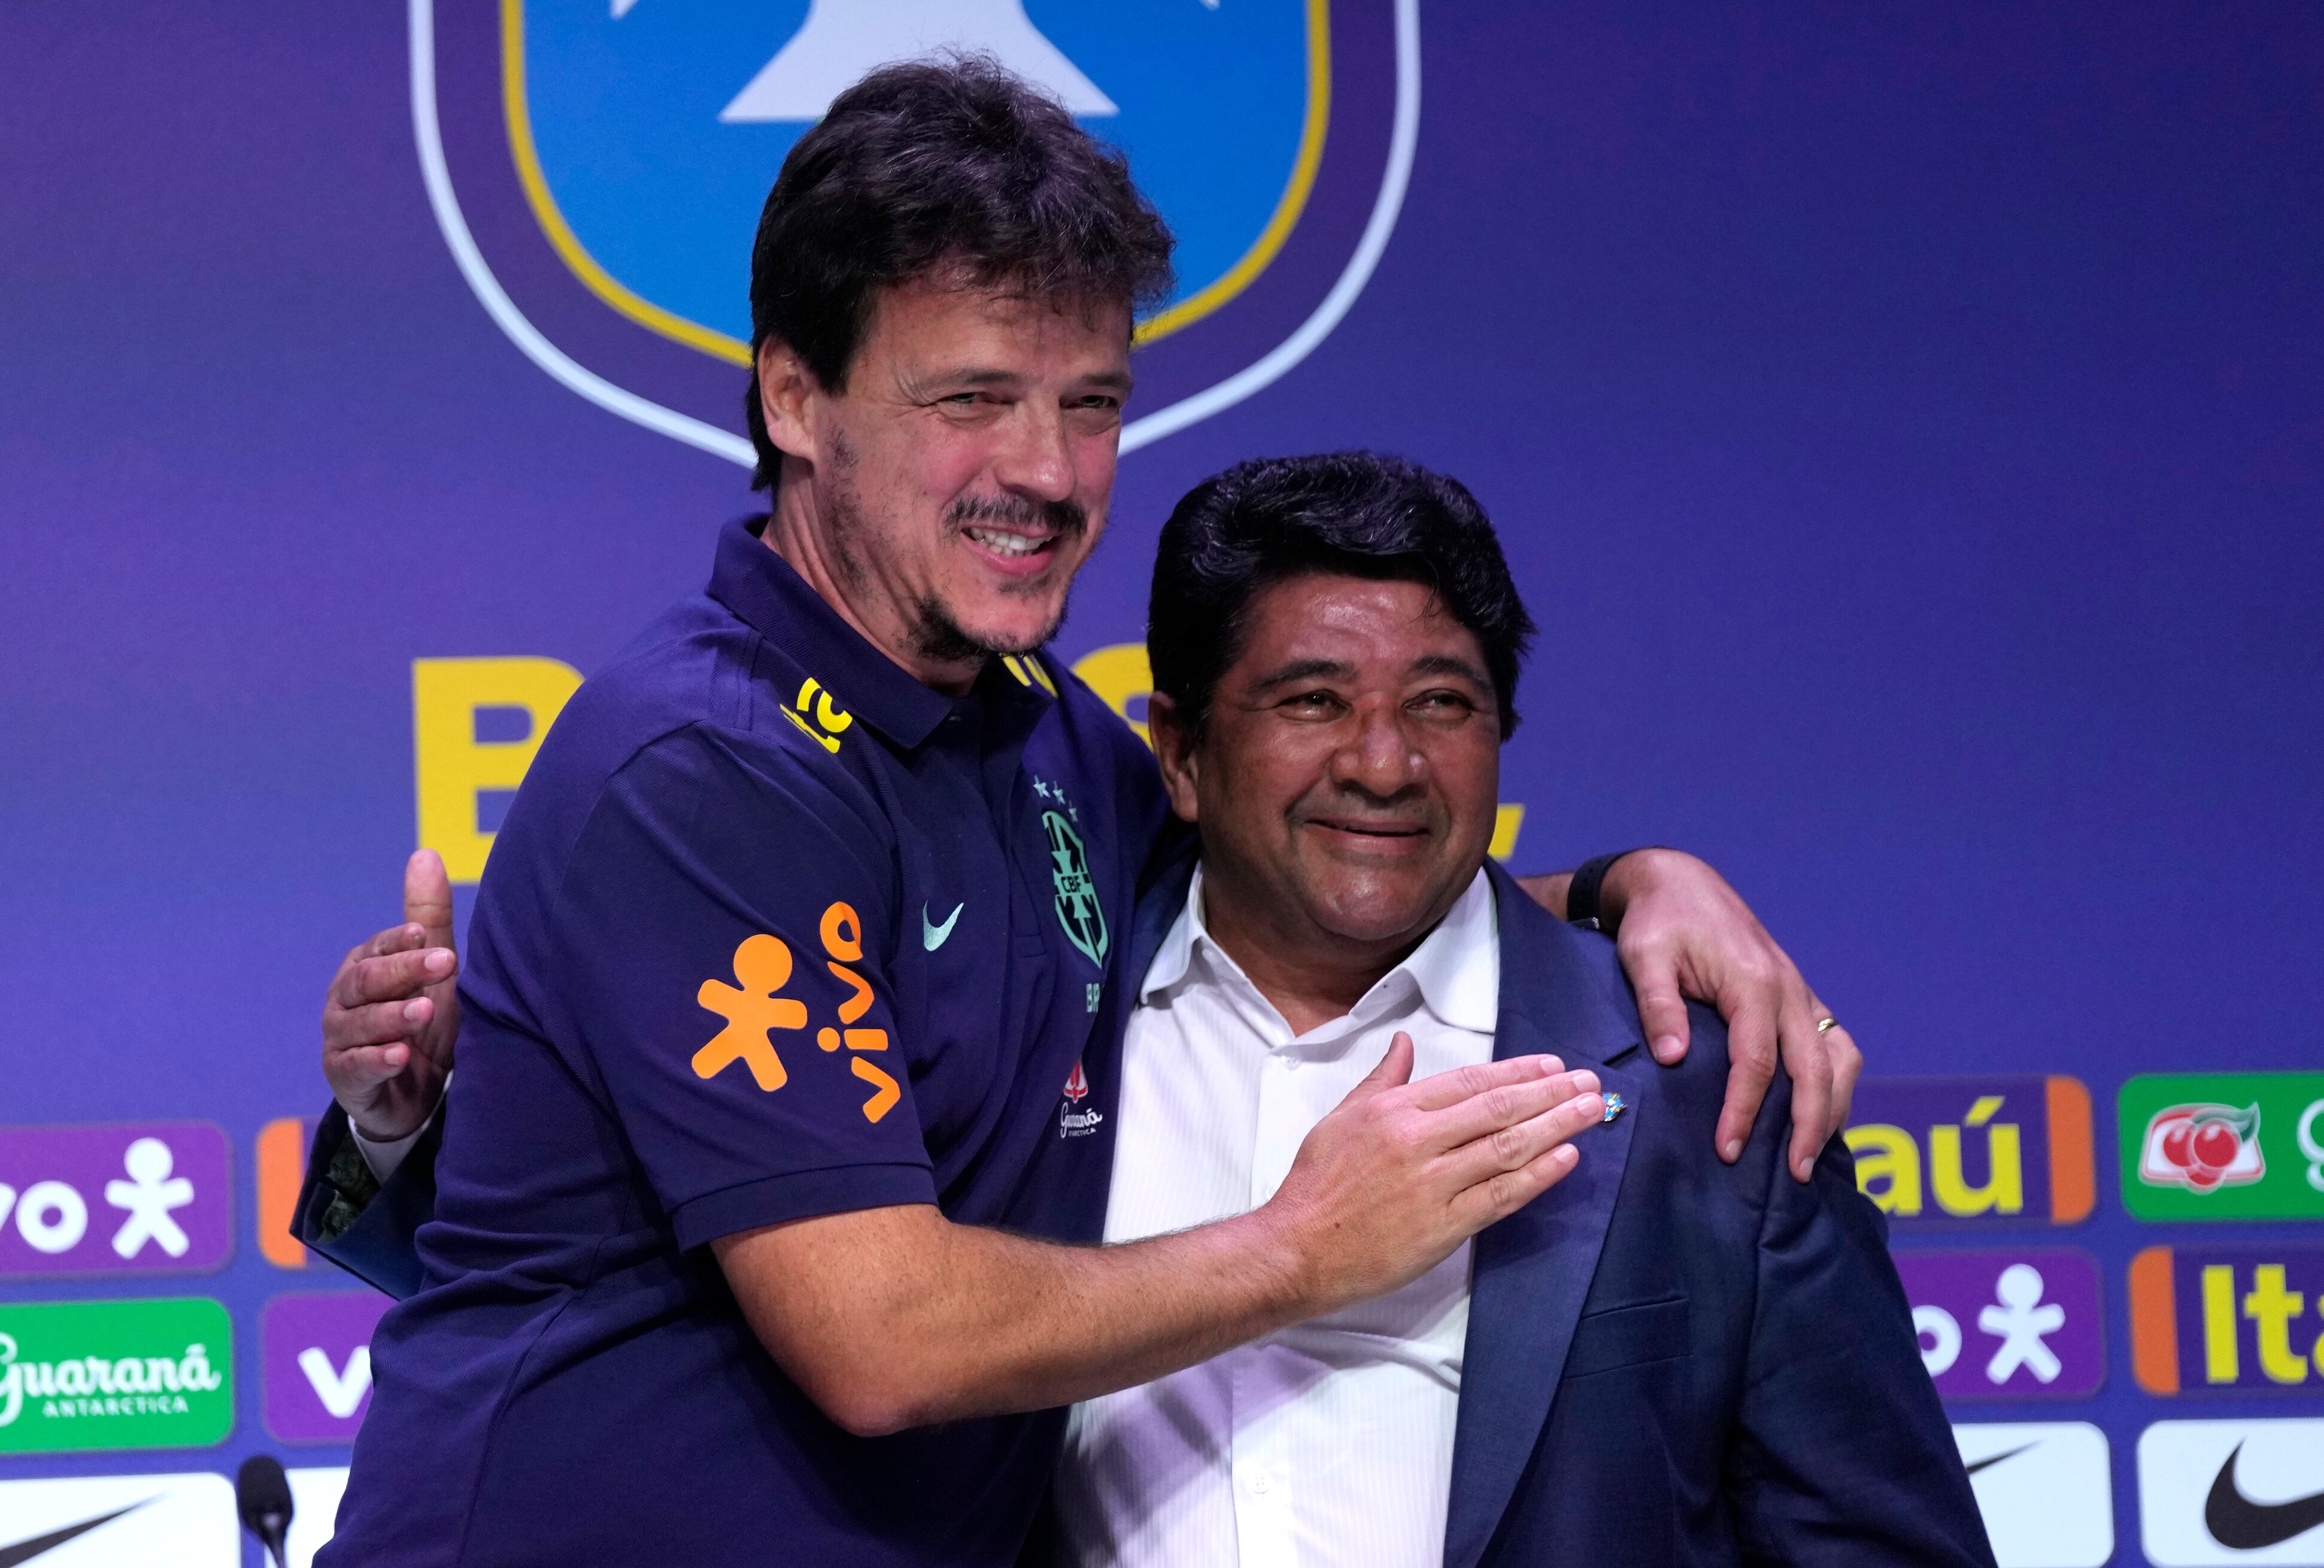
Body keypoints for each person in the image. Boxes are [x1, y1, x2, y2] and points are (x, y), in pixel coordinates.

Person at [304, 59, 1863, 1568]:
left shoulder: (1037, 723)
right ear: (796, 396)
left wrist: (1637, 888)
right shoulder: (704, 768)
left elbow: (1294, 862)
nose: (1046, 472)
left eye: (1092, 401)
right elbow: (883, 1337)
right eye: (972, 397)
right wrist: (1306, 1247)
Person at [1052, 451, 1992, 1568]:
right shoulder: (1040, 1029)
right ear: (1181, 751)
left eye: (1441, 703)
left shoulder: (1698, 1083)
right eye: (1313, 701)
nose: (1385, 762)